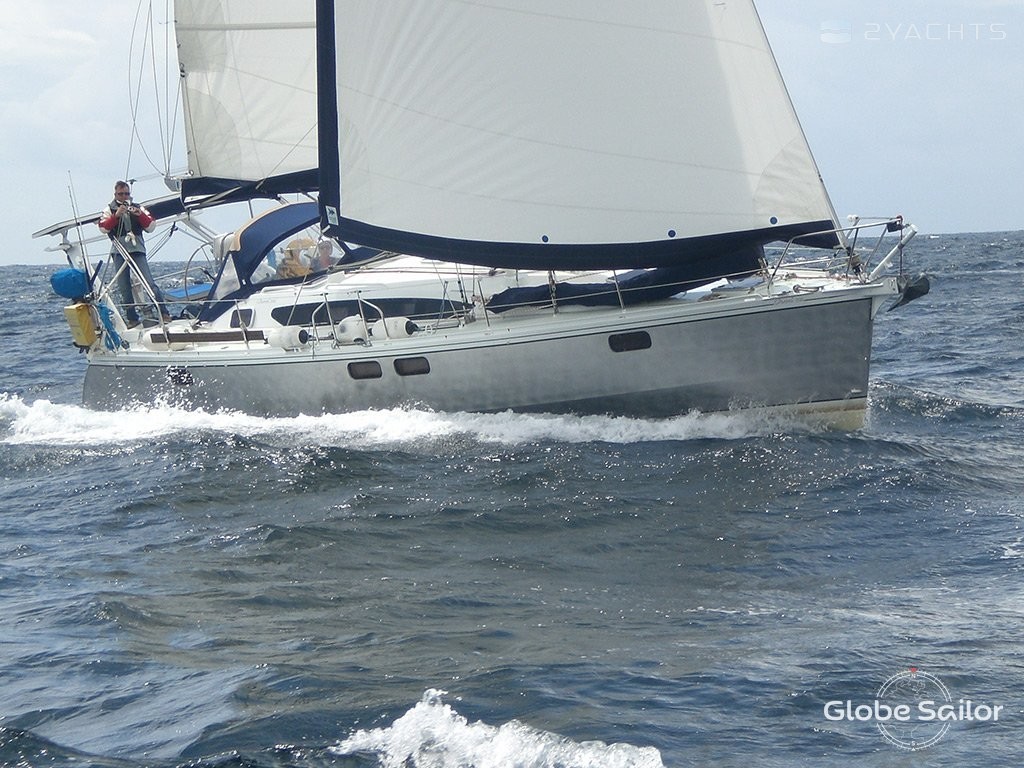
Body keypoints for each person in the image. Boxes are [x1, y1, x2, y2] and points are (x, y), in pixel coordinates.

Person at [98, 180, 169, 326]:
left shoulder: (138, 207)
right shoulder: (108, 210)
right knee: (124, 287)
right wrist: (116, 216)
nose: (124, 197)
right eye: (121, 194)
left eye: (127, 194)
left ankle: (164, 312)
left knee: (149, 282)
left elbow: (151, 226)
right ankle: (132, 318)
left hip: (137, 250)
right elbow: (103, 228)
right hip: (119, 251)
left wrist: (140, 215)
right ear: (115, 194)